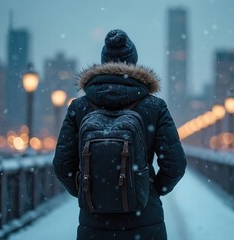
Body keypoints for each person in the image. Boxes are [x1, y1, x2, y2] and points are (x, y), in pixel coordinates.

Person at [53, 29, 186, 240]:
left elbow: (62, 165)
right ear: (133, 62)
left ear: (103, 62)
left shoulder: (79, 107)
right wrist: (148, 189)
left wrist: (88, 189)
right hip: (145, 221)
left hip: (94, 222)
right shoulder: (155, 107)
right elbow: (175, 164)